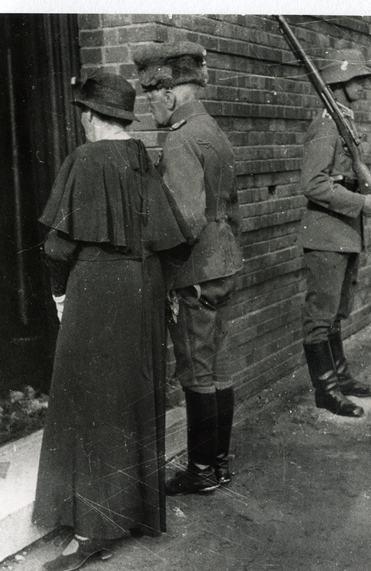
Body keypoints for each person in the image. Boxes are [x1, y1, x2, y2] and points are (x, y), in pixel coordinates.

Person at [32, 67, 193, 571]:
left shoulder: (85, 159)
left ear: (90, 116)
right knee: (130, 399)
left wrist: (59, 295)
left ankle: (91, 533)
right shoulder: (141, 157)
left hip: (96, 291)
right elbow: (172, 240)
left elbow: (58, 245)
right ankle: (134, 513)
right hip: (142, 288)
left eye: (83, 113)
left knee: (92, 406)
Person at [133, 42, 243, 495]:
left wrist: (151, 251)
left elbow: (185, 220)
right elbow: (230, 208)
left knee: (197, 372)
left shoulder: (180, 138)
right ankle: (218, 464)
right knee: (218, 368)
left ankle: (201, 472)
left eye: (151, 96)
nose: (149, 105)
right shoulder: (210, 128)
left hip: (194, 270)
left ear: (169, 90)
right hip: (223, 262)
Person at [300, 49, 371, 418]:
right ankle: (326, 390)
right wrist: (362, 203)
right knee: (320, 316)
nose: (364, 86)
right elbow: (313, 184)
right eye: (357, 80)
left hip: (343, 230)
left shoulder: (342, 120)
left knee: (334, 314)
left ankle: (341, 377)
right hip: (325, 234)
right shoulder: (326, 124)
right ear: (339, 80)